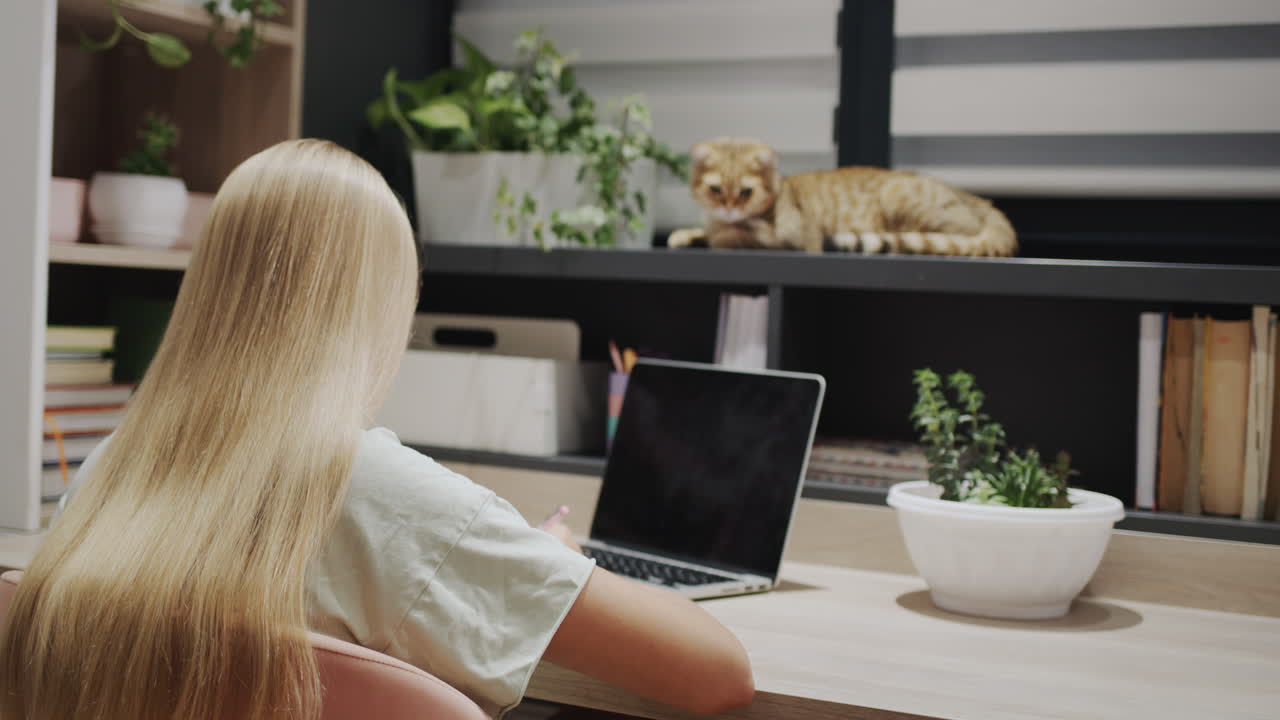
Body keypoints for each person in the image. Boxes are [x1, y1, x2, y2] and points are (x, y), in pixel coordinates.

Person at [0, 140, 753, 720]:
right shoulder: (381, 494)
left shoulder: (110, 470)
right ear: (379, 305)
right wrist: (541, 562)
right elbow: (718, 674)